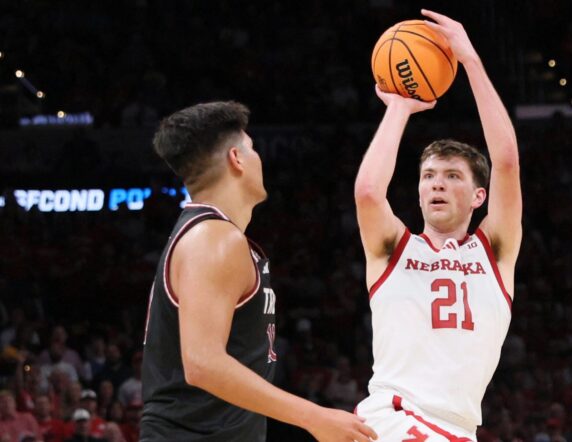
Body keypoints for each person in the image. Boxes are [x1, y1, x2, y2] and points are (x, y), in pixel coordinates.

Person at [141, 101, 376, 442]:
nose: (258, 158)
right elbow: (202, 363)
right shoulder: (213, 238)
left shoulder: (212, 234)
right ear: (236, 158)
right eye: (252, 148)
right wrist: (314, 417)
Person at [354, 10, 522, 441]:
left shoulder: (495, 250)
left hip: (457, 428)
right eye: (428, 176)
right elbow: (370, 193)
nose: (437, 185)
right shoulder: (394, 248)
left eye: (452, 176)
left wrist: (471, 62)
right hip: (397, 417)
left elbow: (504, 161)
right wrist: (398, 108)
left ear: (479, 196)